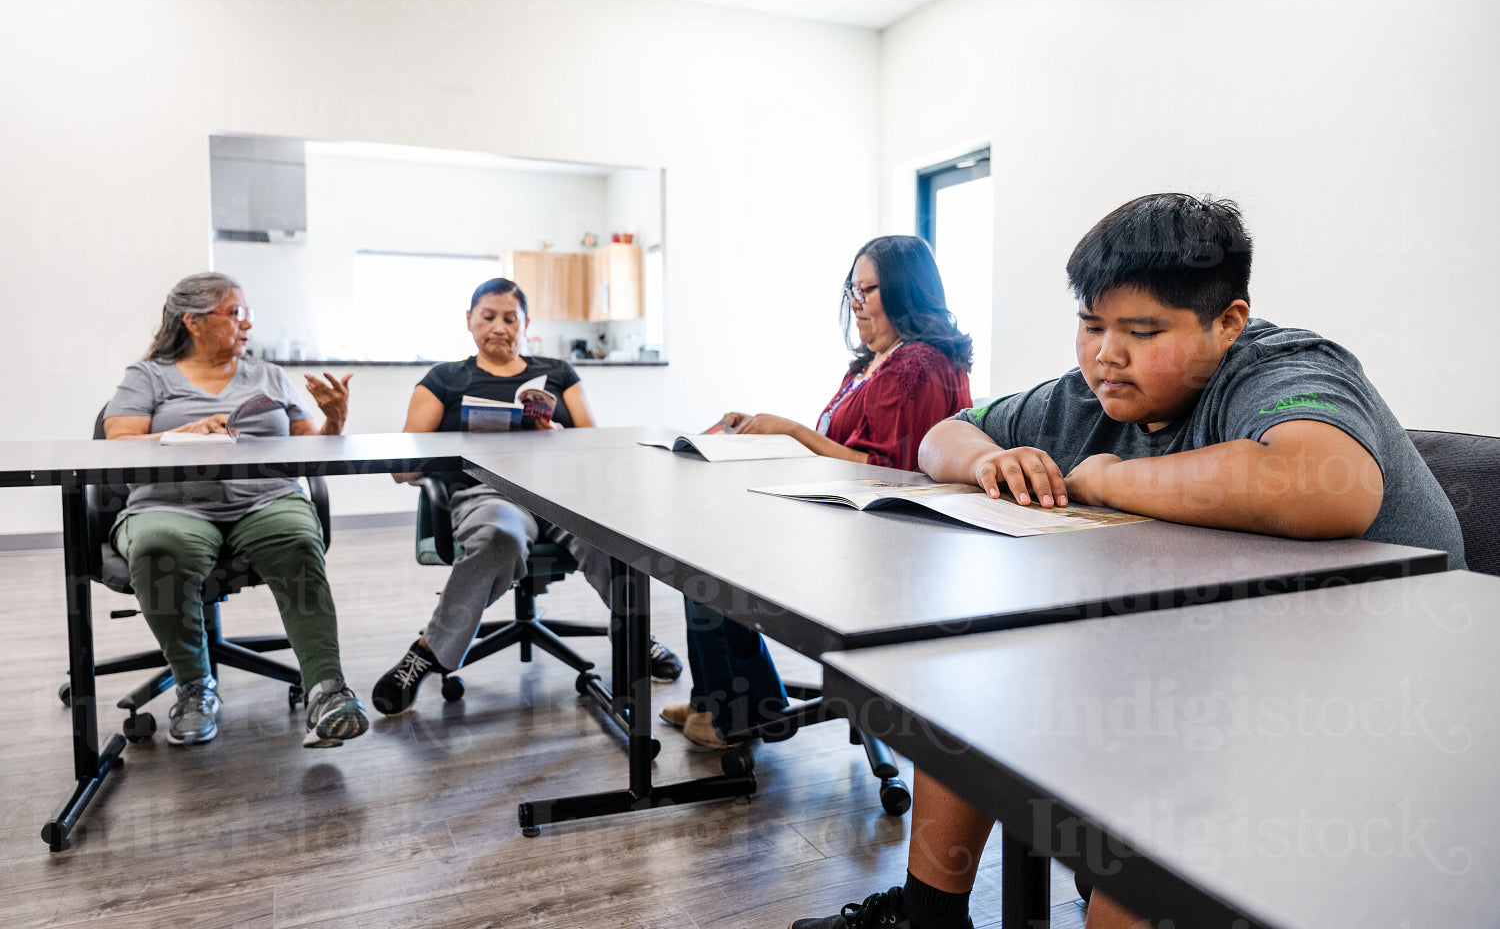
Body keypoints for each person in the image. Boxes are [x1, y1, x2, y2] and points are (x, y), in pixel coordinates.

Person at [786, 194, 1465, 929]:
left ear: (1227, 323)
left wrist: (1103, 478)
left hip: (1375, 709)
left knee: (1137, 870)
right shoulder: (1092, 391)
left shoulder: (1281, 367)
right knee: (968, 670)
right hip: (1210, 666)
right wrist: (990, 460)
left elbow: (1326, 487)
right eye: (1091, 325)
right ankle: (929, 916)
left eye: (1142, 331)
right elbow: (942, 436)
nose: (1107, 354)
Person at [663, 235, 973, 750]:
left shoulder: (917, 364)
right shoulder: (870, 366)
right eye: (854, 288)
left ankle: (733, 711)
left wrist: (788, 431)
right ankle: (725, 700)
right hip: (846, 524)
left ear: (906, 293)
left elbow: (889, 471)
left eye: (870, 290)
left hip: (884, 543)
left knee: (708, 557)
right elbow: (840, 449)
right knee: (706, 546)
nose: (856, 301)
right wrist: (769, 432)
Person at [371, 277, 682, 715]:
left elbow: (595, 449)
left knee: (612, 537)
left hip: (558, 492)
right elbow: (403, 467)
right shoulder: (444, 379)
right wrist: (460, 441)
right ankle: (427, 650)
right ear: (469, 321)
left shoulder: (558, 373)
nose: (499, 326)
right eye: (488, 316)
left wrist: (556, 436)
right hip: (486, 494)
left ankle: (636, 638)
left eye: (509, 318)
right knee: (499, 536)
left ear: (526, 324)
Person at [103, 272, 370, 749]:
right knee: (159, 548)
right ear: (195, 321)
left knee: (296, 540)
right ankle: (194, 687)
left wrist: (335, 417)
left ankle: (328, 692)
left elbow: (312, 449)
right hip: (172, 505)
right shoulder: (147, 376)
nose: (248, 324)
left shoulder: (268, 375)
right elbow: (117, 444)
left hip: (263, 499)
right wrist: (186, 433)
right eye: (236, 312)